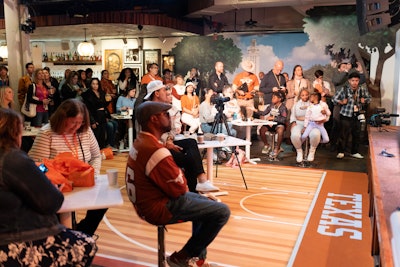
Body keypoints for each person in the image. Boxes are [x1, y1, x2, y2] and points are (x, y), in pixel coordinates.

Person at [126, 101, 230, 266]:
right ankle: (181, 257)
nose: (171, 117)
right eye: (166, 114)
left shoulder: (140, 141)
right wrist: (179, 175)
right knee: (222, 211)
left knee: (207, 203)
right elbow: (180, 189)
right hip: (158, 208)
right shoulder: (155, 150)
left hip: (147, 203)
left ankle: (197, 260)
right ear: (154, 119)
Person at [0, 108, 97, 266]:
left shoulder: (11, 160)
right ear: (13, 133)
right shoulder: (13, 159)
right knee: (86, 244)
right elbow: (52, 200)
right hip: (15, 239)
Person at [29, 99, 106, 236]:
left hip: (82, 183)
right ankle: (71, 237)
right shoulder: (47, 133)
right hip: (56, 188)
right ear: (62, 118)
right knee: (64, 220)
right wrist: (54, 180)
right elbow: (37, 166)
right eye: (73, 122)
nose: (76, 127)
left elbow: (96, 156)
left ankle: (83, 232)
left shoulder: (86, 131)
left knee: (103, 201)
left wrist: (93, 173)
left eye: (80, 123)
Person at [144, 80, 219, 192]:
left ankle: (202, 181)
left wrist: (169, 140)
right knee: (189, 159)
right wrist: (166, 143)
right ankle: (194, 192)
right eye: (165, 90)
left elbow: (173, 129)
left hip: (168, 142)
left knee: (191, 142)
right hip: (156, 147)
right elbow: (151, 135)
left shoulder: (168, 108)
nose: (168, 93)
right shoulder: (149, 110)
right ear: (157, 93)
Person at [332, 72, 371, 159]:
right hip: (346, 114)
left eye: (356, 80)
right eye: (353, 80)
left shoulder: (362, 89)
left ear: (359, 81)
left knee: (356, 134)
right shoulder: (344, 89)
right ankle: (341, 151)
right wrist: (341, 102)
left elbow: (369, 98)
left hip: (357, 114)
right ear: (349, 81)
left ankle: (354, 151)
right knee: (343, 134)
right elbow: (334, 99)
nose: (354, 82)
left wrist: (364, 100)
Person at [301, 92, 331, 161]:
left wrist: (325, 112)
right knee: (304, 136)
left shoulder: (323, 105)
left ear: (316, 97)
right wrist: (305, 126)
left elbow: (329, 113)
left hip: (320, 125)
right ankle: (299, 148)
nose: (310, 98)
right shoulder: (310, 106)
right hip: (311, 124)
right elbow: (307, 117)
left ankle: (316, 143)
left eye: (311, 97)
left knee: (326, 139)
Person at [256, 91, 287, 156]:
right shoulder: (271, 106)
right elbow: (264, 113)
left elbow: (283, 119)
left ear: (279, 99)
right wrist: (256, 111)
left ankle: (277, 148)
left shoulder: (283, 108)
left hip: (279, 124)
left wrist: (274, 119)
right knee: (262, 129)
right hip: (271, 124)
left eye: (274, 97)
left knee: (280, 130)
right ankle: (266, 144)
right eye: (272, 97)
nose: (272, 99)